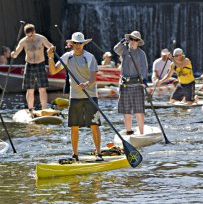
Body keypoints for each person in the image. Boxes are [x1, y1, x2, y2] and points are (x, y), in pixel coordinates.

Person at [47, 32, 103, 162]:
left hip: (90, 95)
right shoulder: (67, 57)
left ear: (83, 44)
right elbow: (53, 71)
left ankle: (99, 153)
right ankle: (75, 154)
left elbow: (94, 77)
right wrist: (50, 57)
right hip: (75, 96)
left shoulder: (90, 57)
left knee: (94, 125)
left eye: (80, 43)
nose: (78, 46)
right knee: (74, 126)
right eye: (75, 43)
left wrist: (87, 84)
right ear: (71, 44)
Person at [10, 23, 54, 112]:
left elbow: (51, 46)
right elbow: (16, 54)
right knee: (30, 90)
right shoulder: (23, 41)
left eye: (32, 35)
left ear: (34, 32)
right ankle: (30, 109)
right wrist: (13, 54)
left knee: (42, 89)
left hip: (40, 64)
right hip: (29, 65)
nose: (30, 38)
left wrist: (51, 49)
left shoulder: (41, 38)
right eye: (28, 36)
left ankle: (44, 109)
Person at [114, 30, 148, 135]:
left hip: (137, 84)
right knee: (126, 111)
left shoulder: (141, 53)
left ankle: (141, 134)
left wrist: (144, 80)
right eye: (131, 39)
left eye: (135, 40)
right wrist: (122, 42)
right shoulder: (124, 50)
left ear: (138, 42)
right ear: (129, 40)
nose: (133, 41)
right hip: (124, 84)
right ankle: (129, 131)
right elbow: (115, 49)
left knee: (139, 110)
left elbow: (144, 68)